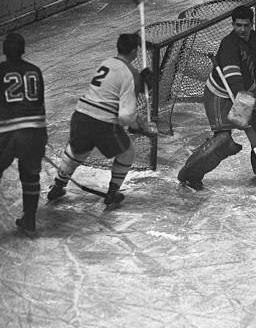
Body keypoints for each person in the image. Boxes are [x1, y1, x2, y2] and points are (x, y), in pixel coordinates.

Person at [177, 5, 256, 190]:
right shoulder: (229, 45)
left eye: (246, 25)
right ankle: (189, 174)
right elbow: (234, 82)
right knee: (222, 141)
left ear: (251, 25)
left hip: (245, 93)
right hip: (221, 95)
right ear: (233, 24)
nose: (242, 29)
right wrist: (242, 114)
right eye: (238, 25)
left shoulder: (253, 38)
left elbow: (254, 68)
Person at [47, 33, 156, 206]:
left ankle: (58, 185)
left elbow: (110, 88)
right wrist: (137, 123)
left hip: (80, 115)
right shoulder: (130, 73)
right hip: (102, 123)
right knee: (127, 153)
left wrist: (139, 83)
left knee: (77, 151)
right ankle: (112, 193)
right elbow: (125, 116)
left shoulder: (107, 62)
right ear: (135, 51)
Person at [0, 33, 47, 233]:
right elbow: (40, 103)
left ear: (3, 51)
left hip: (8, 133)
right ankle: (30, 221)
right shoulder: (35, 71)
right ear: (23, 50)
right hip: (35, 131)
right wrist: (42, 135)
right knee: (30, 176)